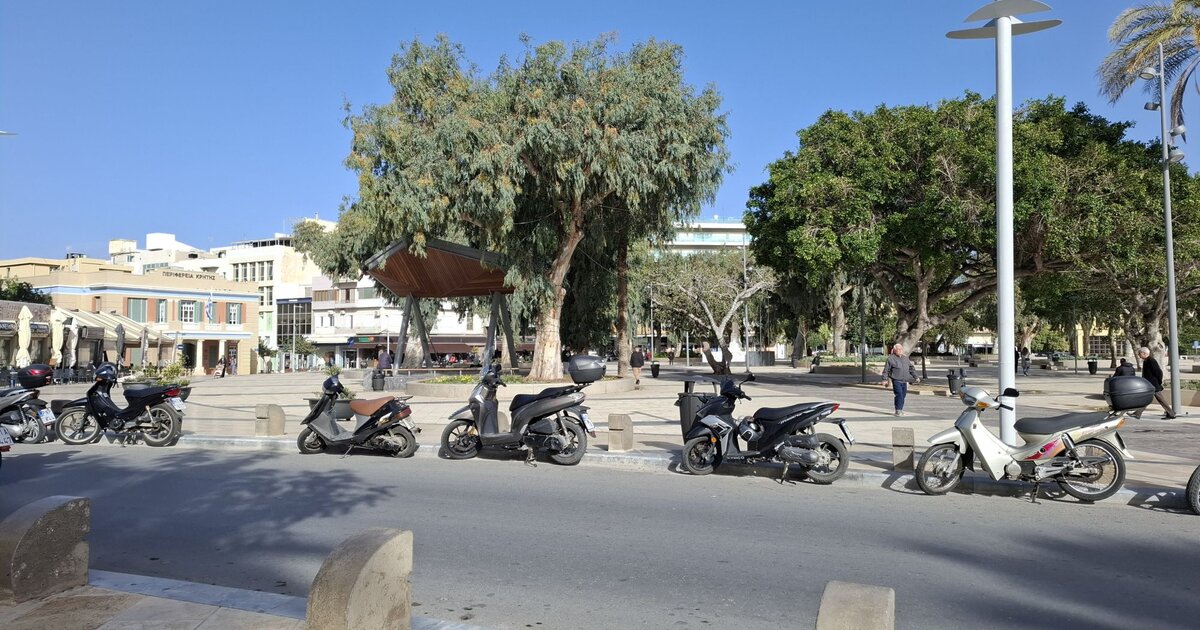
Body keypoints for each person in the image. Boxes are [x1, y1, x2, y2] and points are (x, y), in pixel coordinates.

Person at [1135, 347, 1175, 419]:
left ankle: (1171, 413)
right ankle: (1137, 413)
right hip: (1150, 384)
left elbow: (1159, 372)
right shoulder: (1146, 361)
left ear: (1144, 353)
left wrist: (1158, 382)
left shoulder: (1151, 360)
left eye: (1139, 353)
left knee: (1156, 399)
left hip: (1153, 384)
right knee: (1147, 399)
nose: (1139, 355)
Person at [881, 344, 919, 416]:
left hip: (905, 380)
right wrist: (884, 379)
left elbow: (911, 368)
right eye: (898, 349)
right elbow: (886, 370)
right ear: (895, 350)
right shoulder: (891, 359)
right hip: (896, 380)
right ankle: (898, 410)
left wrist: (916, 377)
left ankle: (900, 409)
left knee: (903, 395)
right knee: (899, 395)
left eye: (901, 349)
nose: (900, 350)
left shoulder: (905, 358)